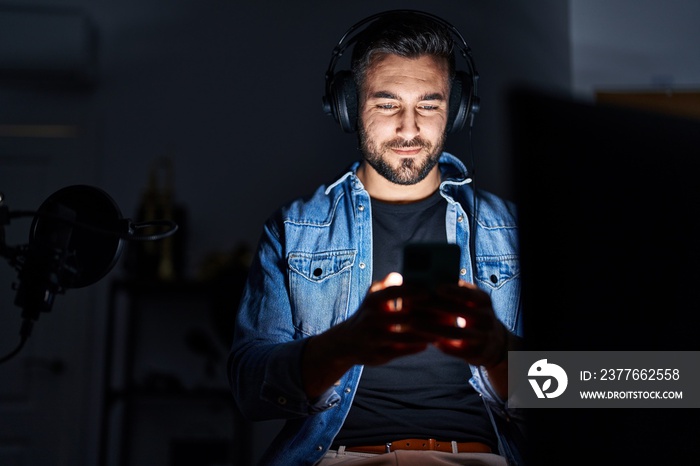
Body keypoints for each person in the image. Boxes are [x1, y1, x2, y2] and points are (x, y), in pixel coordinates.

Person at [228, 10, 525, 466]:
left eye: (429, 104)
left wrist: (499, 355)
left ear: (459, 109)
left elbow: (579, 388)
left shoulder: (510, 232)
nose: (409, 129)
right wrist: (344, 345)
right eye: (387, 104)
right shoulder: (295, 229)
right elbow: (249, 389)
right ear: (348, 106)